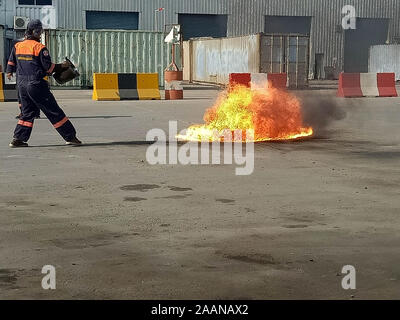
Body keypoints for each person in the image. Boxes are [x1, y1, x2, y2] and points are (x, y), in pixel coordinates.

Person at [6, 19, 82, 148]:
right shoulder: (39, 47)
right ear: (35, 31)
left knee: (27, 113)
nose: (40, 34)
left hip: (22, 84)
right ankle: (70, 136)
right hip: (35, 84)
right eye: (39, 31)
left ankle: (18, 139)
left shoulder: (18, 45)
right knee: (53, 111)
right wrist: (63, 65)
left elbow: (11, 61)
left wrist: (9, 72)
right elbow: (49, 68)